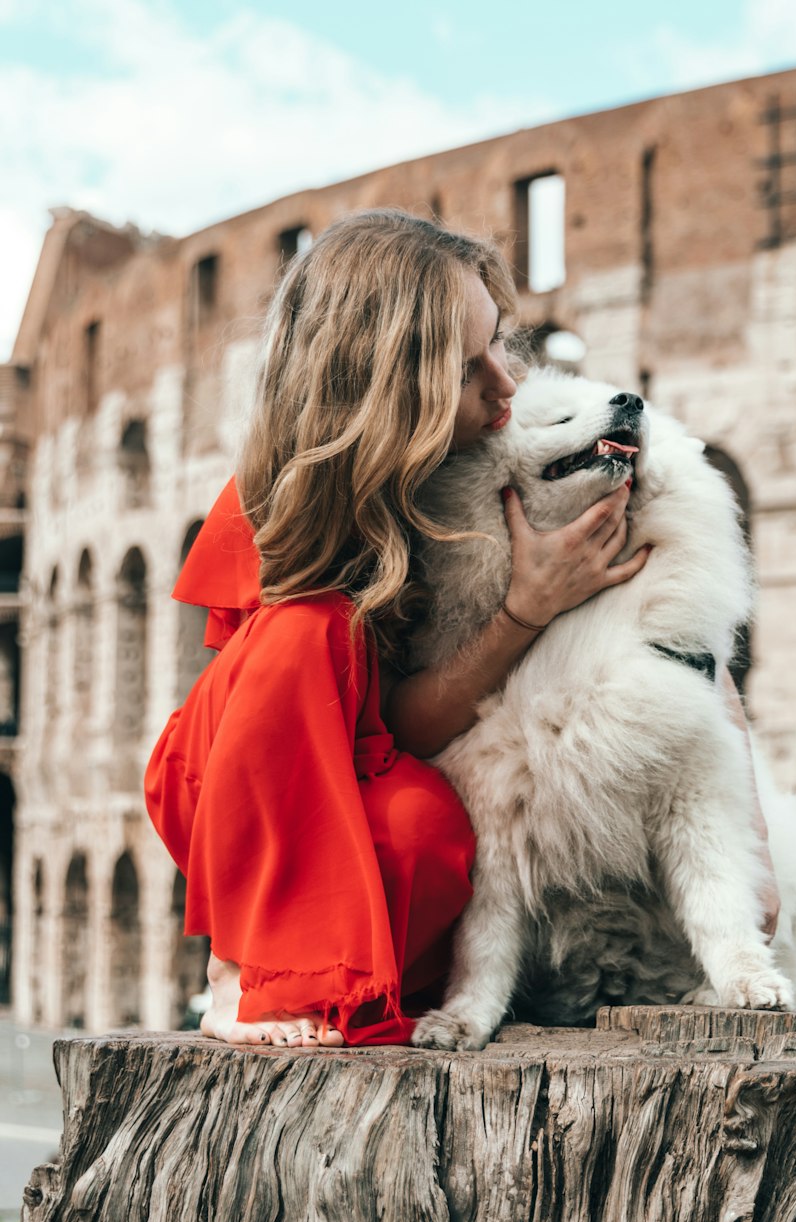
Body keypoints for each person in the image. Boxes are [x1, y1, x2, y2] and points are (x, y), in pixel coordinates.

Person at [144, 209, 656, 1049]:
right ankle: (242, 971)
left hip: (365, 774)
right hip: (246, 780)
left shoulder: (499, 448)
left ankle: (334, 974)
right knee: (309, 627)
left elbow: (396, 732)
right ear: (384, 388)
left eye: (502, 344)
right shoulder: (277, 499)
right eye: (466, 370)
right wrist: (524, 609)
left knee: (429, 828)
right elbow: (258, 732)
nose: (506, 384)